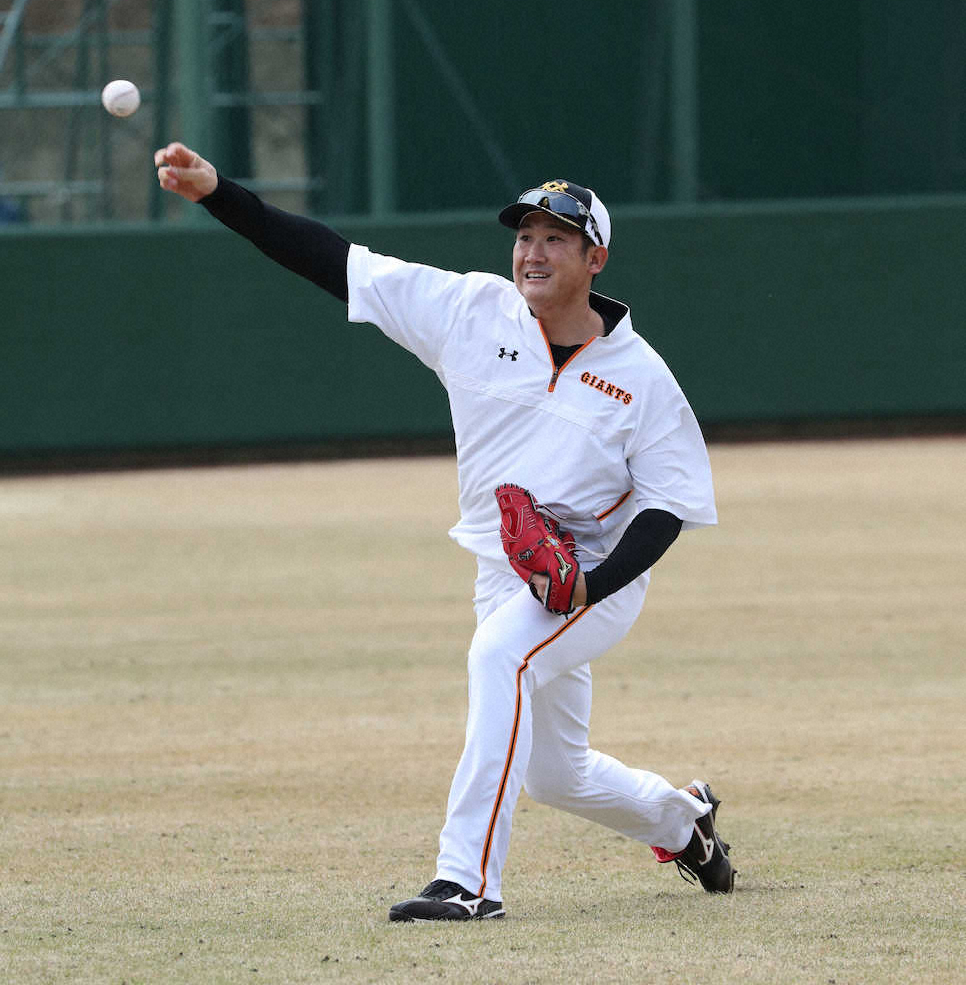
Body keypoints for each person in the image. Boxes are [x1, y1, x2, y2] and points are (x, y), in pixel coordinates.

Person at [155, 143, 736, 921]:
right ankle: (683, 823)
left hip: (596, 576)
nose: (533, 252)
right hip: (503, 572)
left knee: (499, 656)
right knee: (556, 774)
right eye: (525, 235)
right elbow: (332, 261)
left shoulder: (641, 377)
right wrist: (218, 193)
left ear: (595, 258)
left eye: (556, 238)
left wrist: (590, 587)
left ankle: (467, 882)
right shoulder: (470, 313)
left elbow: (666, 506)